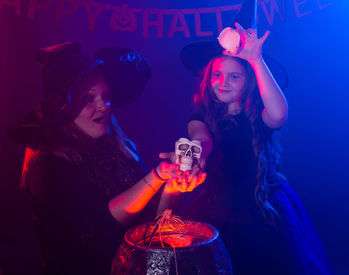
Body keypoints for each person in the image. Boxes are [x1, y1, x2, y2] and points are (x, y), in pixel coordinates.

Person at [8, 42, 205, 274]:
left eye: (106, 96)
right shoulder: (46, 163)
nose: (104, 106)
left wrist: (172, 185)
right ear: (63, 109)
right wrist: (156, 177)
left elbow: (154, 224)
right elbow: (100, 228)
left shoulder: (117, 147)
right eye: (88, 99)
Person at [178, 23, 332, 274]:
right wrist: (193, 154)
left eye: (234, 76)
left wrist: (256, 60)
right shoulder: (202, 117)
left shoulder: (259, 116)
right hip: (219, 212)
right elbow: (200, 140)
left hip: (264, 214)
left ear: (249, 80)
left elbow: (279, 114)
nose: (223, 82)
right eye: (217, 74)